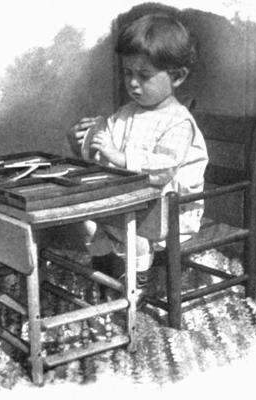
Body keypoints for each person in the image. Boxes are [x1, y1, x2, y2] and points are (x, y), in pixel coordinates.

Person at [67, 13, 208, 300]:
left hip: (171, 209)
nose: (132, 83)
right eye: (127, 73)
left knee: (135, 232)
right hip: (135, 201)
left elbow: (164, 169)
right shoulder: (127, 113)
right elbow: (101, 153)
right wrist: (82, 141)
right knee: (88, 220)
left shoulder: (179, 122)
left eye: (144, 76)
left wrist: (119, 157)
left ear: (177, 77)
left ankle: (139, 282)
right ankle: (105, 272)